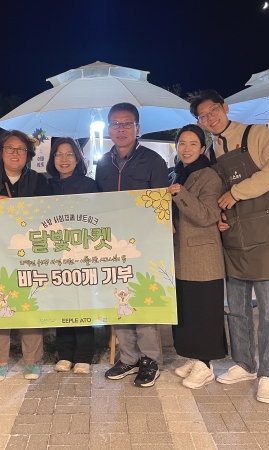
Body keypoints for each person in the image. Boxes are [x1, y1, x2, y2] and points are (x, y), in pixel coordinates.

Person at [191, 90, 269, 404]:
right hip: (234, 236)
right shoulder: (211, 150)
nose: (210, 119)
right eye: (203, 116)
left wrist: (237, 193)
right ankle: (245, 364)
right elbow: (215, 193)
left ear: (225, 108)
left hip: (266, 235)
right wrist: (220, 216)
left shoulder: (255, 135)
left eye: (213, 111)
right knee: (237, 309)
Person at [96, 102, 169, 388]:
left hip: (145, 244)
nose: (121, 129)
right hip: (111, 245)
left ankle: (150, 359)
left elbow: (161, 205)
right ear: (108, 128)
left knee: (143, 299)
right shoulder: (103, 162)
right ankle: (128, 357)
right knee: (118, 299)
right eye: (115, 123)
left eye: (127, 123)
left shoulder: (153, 161)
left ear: (137, 128)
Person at [0, 129, 52, 382]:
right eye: (10, 148)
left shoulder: (39, 181)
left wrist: (17, 210)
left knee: (30, 303)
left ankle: (32, 360)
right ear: (1, 152)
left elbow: (46, 216)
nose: (15, 153)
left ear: (28, 154)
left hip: (29, 253)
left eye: (21, 149)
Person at [167, 124, 226, 389]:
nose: (186, 148)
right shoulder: (176, 174)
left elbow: (207, 215)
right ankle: (194, 357)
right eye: (182, 143)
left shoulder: (209, 176)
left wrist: (181, 193)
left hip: (203, 256)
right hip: (180, 254)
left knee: (205, 310)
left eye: (193, 144)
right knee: (188, 309)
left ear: (203, 148)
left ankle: (206, 364)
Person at [46, 137, 99, 375]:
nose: (64, 159)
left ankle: (84, 356)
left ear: (78, 159)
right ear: (52, 158)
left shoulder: (90, 185)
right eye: (59, 154)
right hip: (55, 254)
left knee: (83, 302)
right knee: (63, 302)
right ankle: (65, 354)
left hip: (83, 253)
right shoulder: (46, 186)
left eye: (69, 154)